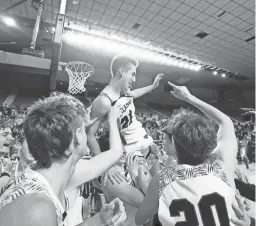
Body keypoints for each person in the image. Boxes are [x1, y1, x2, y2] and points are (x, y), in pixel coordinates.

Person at [0, 93, 126, 226]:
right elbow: (115, 152)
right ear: (78, 136)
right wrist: (112, 120)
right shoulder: (35, 208)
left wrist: (99, 220)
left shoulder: (45, 182)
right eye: (83, 129)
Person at [135, 82, 238, 225]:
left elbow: (140, 219)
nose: (163, 143)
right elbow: (226, 122)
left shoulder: (162, 179)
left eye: (166, 139)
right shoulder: (222, 169)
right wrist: (189, 98)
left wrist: (146, 189)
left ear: (175, 146)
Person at [88, 54, 164, 157]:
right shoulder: (104, 101)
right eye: (132, 74)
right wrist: (104, 163)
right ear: (122, 71)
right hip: (128, 150)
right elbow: (90, 135)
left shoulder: (125, 92)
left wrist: (153, 86)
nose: (134, 79)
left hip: (145, 141)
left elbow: (135, 93)